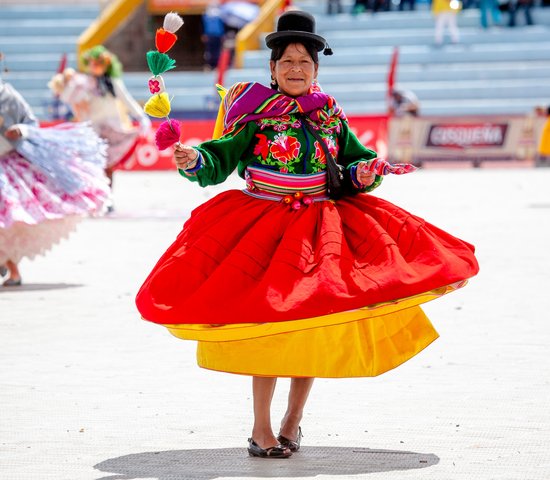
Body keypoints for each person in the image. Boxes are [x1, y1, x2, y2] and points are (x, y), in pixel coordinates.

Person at [135, 10, 479, 458]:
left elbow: (353, 162)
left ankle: (292, 421)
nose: (295, 69)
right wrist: (194, 160)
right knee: (269, 326)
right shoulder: (254, 110)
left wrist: (370, 169)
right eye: (287, 62)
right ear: (272, 68)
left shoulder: (329, 113)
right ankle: (260, 428)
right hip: (263, 224)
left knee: (313, 319)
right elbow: (221, 156)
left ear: (316, 69)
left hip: (319, 226)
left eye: (304, 62)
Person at [0, 78, 110, 286]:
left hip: (9, 163)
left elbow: (30, 123)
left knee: (9, 220)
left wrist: (21, 131)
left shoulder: (8, 96)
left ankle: (12, 269)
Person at [49, 46, 151, 209]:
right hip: (93, 130)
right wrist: (71, 83)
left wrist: (141, 116)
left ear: (107, 64)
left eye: (99, 63)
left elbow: (127, 99)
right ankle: (95, 198)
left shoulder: (113, 83)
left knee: (109, 167)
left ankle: (108, 199)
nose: (95, 66)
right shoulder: (83, 82)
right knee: (94, 165)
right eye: (92, 63)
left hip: (113, 128)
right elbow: (66, 97)